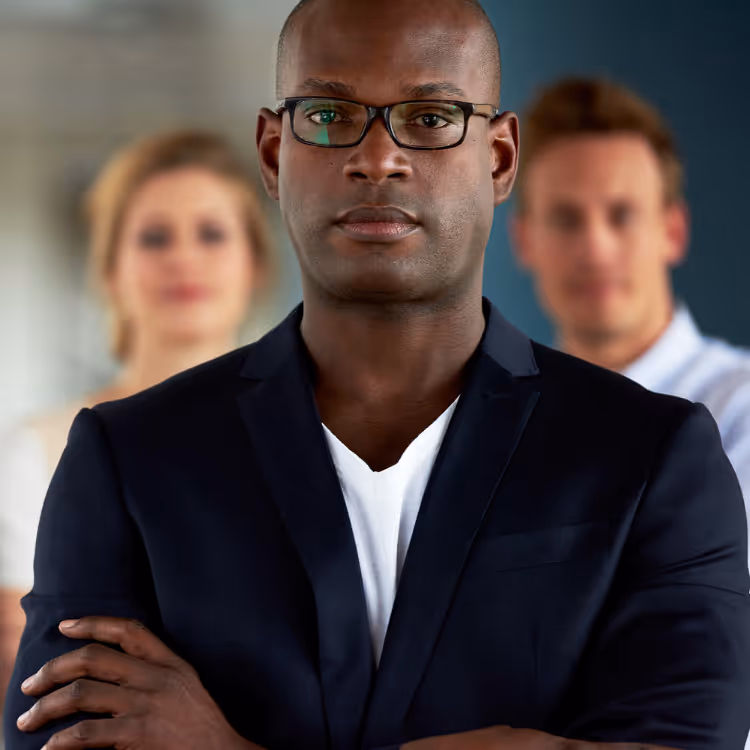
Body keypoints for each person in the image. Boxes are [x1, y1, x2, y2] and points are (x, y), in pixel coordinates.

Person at [4, 1, 750, 748]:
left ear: (498, 158)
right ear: (272, 153)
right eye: (329, 115)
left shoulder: (656, 455)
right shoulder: (127, 459)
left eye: (429, 118)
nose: (378, 157)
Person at [0, 130, 273, 715]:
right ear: (108, 270)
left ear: (255, 264)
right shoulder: (40, 448)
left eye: (212, 234)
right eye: (154, 237)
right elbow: (26, 667)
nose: (184, 258)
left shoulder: (319, 437)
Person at [510, 77, 750, 542]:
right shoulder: (490, 427)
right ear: (524, 240)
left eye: (622, 214)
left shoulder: (741, 410)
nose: (595, 248)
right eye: (566, 218)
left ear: (673, 231)